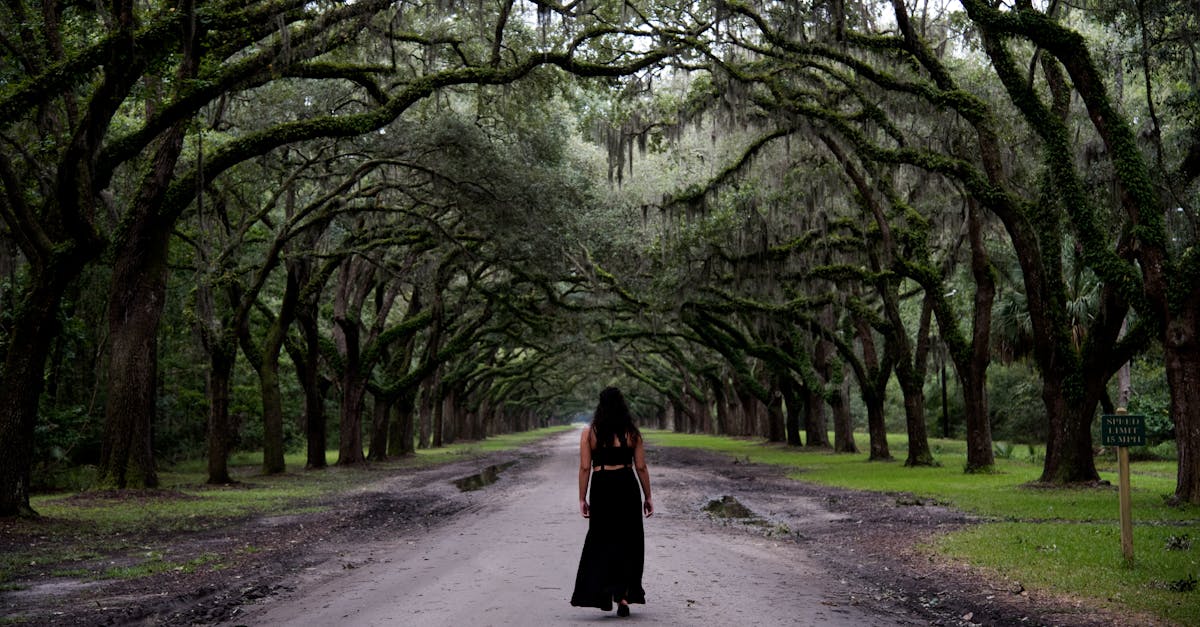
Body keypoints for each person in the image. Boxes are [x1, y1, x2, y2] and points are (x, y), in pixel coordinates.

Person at [570, 386, 653, 617]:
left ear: (600, 405)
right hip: (627, 485)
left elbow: (585, 467)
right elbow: (641, 467)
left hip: (602, 486)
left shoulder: (590, 432)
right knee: (629, 540)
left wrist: (582, 498)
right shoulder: (632, 432)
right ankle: (624, 595)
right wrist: (648, 496)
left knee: (603, 540)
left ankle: (606, 591)